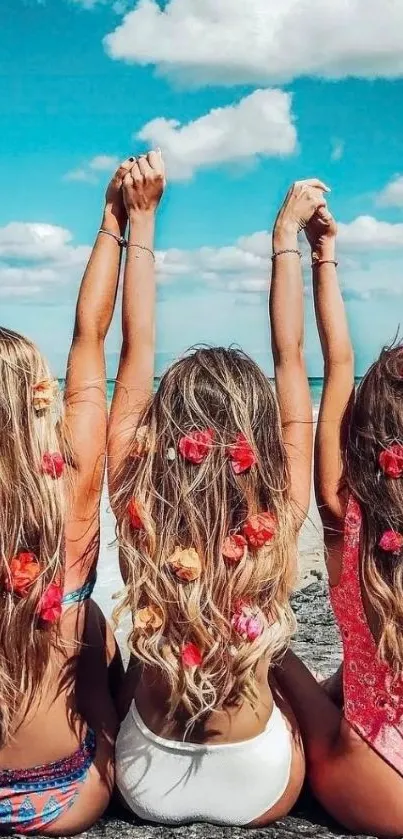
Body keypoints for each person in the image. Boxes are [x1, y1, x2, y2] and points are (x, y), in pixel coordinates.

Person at [108, 171, 329, 826]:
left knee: (118, 647)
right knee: (279, 659)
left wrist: (139, 221)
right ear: (257, 435)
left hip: (142, 776)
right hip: (258, 781)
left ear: (162, 433)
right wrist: (285, 239)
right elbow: (292, 359)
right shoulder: (278, 512)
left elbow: (134, 351)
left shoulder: (136, 514)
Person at [0, 159, 133, 835]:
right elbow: (91, 339)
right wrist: (116, 219)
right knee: (98, 638)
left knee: (94, 628)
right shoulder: (70, 488)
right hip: (64, 796)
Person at [274, 204, 403, 836]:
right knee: (358, 672)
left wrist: (318, 250)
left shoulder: (341, 509)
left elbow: (335, 361)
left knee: (264, 645)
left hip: (378, 785)